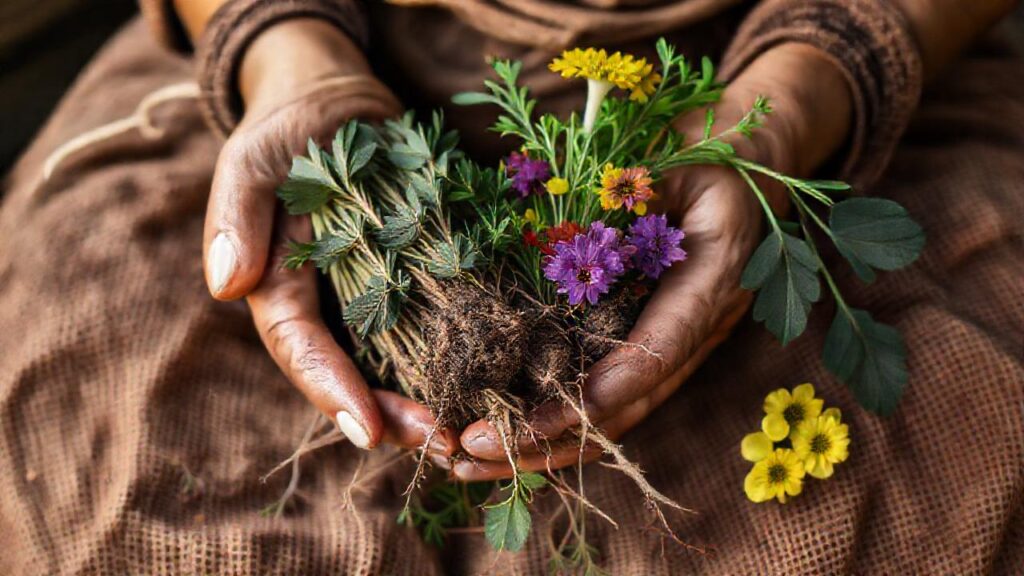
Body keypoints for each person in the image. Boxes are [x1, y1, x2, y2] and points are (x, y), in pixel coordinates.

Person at [0, 0, 1020, 573]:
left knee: (963, 467)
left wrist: (800, 95)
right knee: (73, 439)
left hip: (783, 78)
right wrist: (284, 53)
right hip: (322, 42)